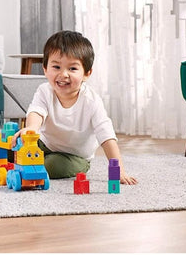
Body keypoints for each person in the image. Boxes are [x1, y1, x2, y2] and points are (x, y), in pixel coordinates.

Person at [13, 30, 137, 185]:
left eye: (72, 69)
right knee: (14, 147)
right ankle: (22, 163)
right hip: (45, 145)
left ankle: (29, 166)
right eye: (56, 67)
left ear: (86, 73)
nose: (64, 74)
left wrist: (119, 171)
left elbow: (106, 136)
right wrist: (31, 129)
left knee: (50, 166)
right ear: (45, 69)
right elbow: (37, 111)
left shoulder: (91, 101)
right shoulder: (44, 91)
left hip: (74, 156)